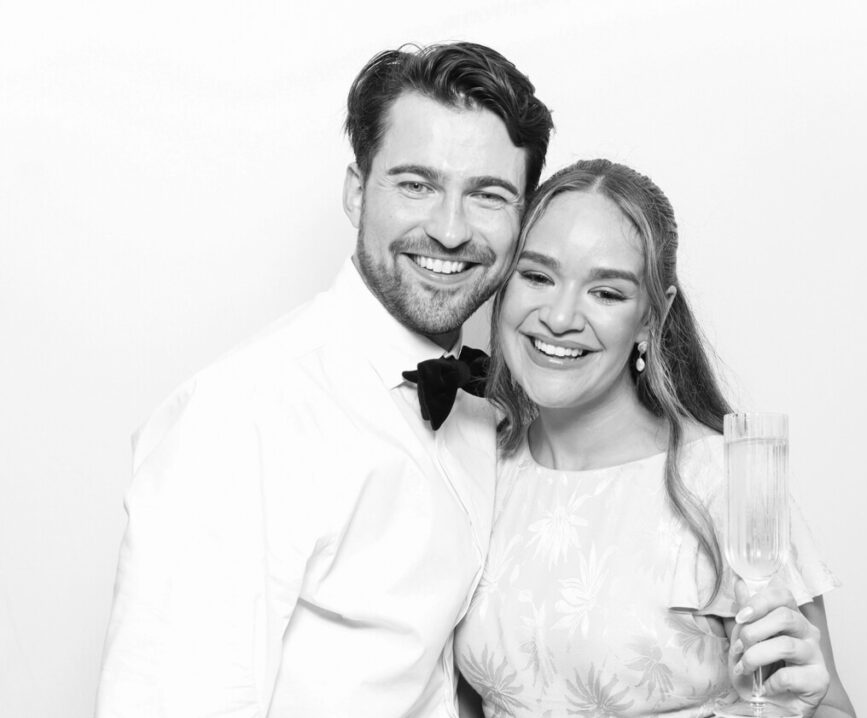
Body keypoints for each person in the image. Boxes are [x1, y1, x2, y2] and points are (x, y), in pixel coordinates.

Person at [96, 42, 553, 717]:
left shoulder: (485, 413)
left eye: (487, 195)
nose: (450, 230)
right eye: (416, 184)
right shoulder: (241, 418)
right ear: (356, 190)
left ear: (523, 220)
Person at [454, 159, 856, 717]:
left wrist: (805, 710)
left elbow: (827, 706)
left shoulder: (730, 480)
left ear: (652, 317)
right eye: (538, 276)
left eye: (607, 293)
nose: (561, 316)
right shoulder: (477, 463)